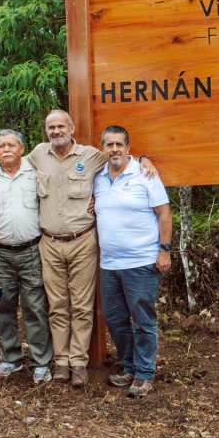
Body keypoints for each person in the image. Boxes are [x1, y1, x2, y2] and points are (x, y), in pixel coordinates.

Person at [21, 111, 155, 388]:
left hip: (82, 241)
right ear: (46, 131)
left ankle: (79, 363)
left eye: (61, 126)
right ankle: (61, 361)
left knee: (81, 305)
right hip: (49, 243)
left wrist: (145, 159)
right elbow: (13, 165)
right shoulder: (38, 154)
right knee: (57, 305)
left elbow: (121, 157)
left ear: (72, 128)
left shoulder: (91, 155)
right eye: (51, 127)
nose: (56, 131)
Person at [94, 125, 172, 399]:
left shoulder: (144, 173)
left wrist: (164, 251)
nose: (114, 149)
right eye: (109, 144)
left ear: (128, 148)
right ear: (102, 148)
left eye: (119, 144)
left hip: (141, 262)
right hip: (109, 264)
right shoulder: (98, 177)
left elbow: (164, 214)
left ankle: (144, 373)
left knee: (142, 319)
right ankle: (128, 366)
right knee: (115, 320)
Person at [0, 130, 53, 383]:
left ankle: (41, 361)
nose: (6, 149)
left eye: (11, 144)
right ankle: (10, 358)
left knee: (35, 306)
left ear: (22, 148)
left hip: (32, 250)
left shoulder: (35, 170)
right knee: (4, 306)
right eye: (0, 146)